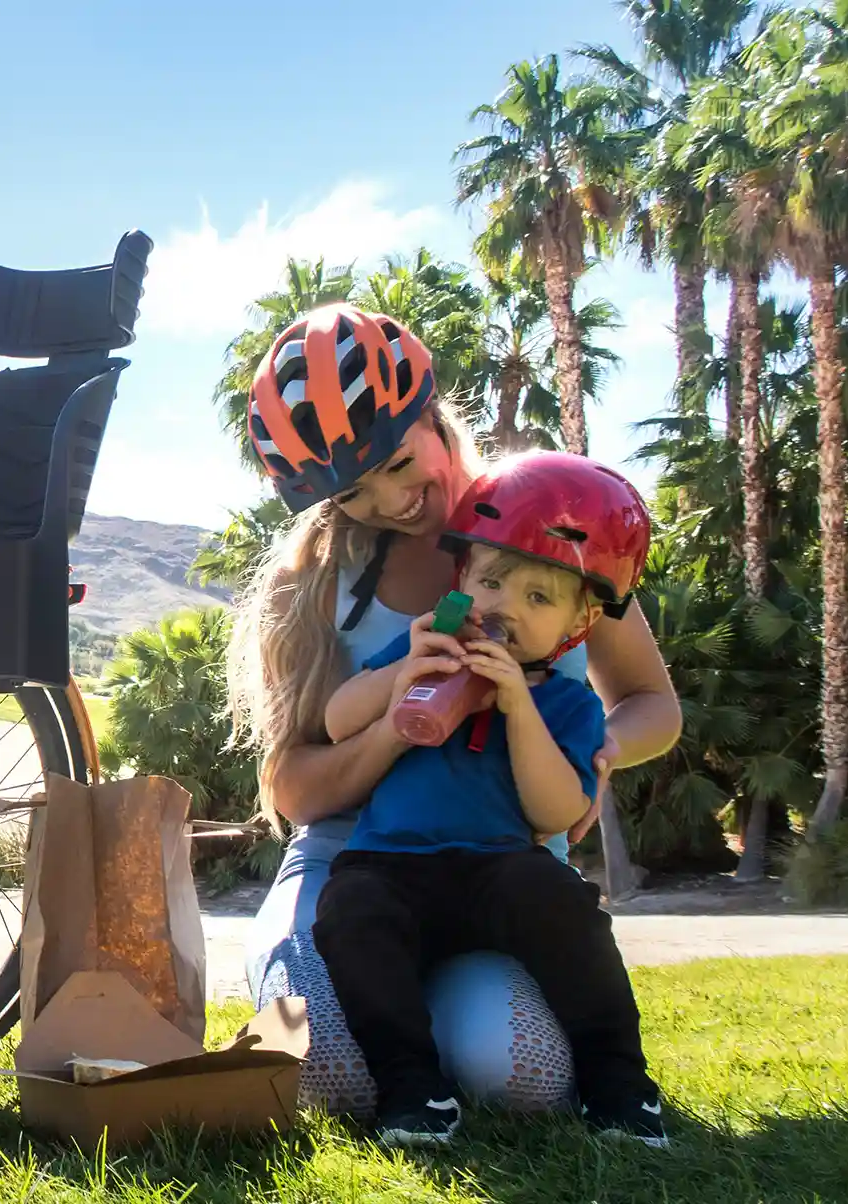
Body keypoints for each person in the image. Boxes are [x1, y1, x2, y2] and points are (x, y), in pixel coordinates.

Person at [226, 302, 681, 1117]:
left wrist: (588, 755)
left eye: (399, 463)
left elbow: (654, 705)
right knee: (329, 1074)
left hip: (500, 864)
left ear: (434, 418)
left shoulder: (557, 527)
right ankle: (307, 978)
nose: (392, 501)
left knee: (528, 1081)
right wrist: (397, 730)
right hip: (349, 868)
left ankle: (443, 1017)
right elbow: (292, 787)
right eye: (354, 493)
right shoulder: (316, 580)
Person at [311, 452, 665, 1148]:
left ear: (577, 623)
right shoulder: (424, 654)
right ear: (460, 578)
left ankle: (618, 1082)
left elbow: (555, 813)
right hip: (391, 864)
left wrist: (517, 708)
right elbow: (335, 721)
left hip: (497, 867)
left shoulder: (565, 702)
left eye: (539, 598)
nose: (505, 606)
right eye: (492, 582)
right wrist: (402, 674)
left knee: (565, 906)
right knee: (351, 912)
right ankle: (412, 1088)